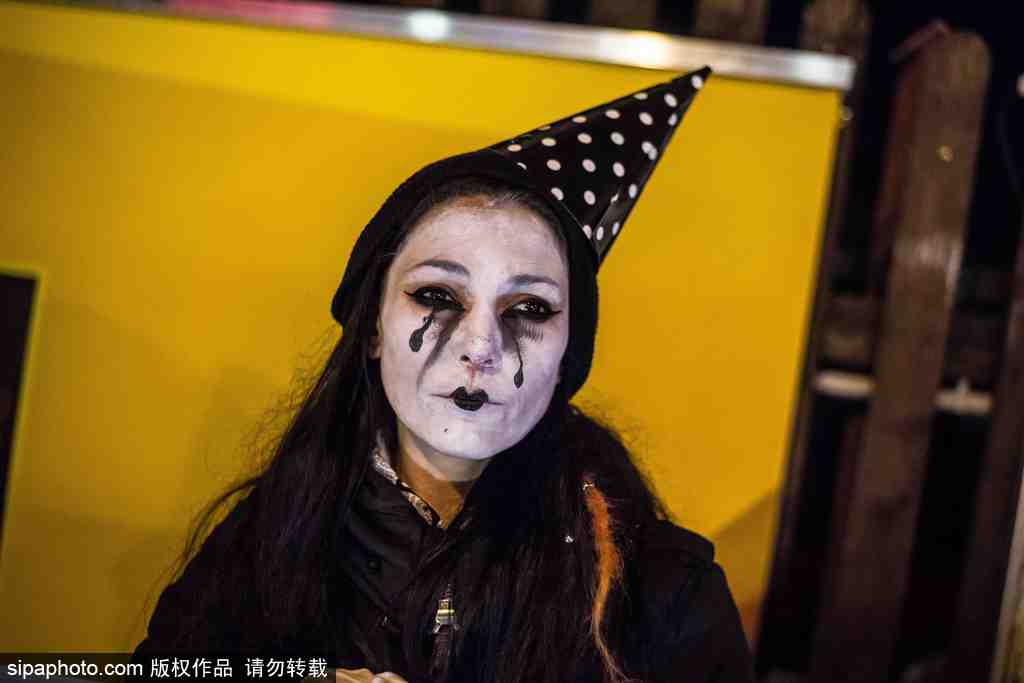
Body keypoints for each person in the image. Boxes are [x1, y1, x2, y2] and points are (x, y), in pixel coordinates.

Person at [133, 66, 756, 682]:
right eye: (436, 296)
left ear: (568, 355)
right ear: (373, 329)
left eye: (530, 309)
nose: (480, 346)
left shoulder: (665, 593)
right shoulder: (268, 537)